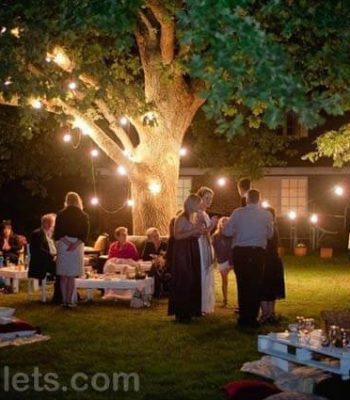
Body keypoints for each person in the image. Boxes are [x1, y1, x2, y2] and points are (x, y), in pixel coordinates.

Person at [223, 189, 273, 328]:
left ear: (246, 199)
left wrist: (237, 231)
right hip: (258, 252)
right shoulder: (266, 214)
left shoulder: (238, 213)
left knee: (243, 284)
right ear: (259, 199)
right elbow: (270, 234)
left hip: (241, 252)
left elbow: (226, 231)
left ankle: (244, 317)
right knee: (256, 284)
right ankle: (253, 317)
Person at [168, 194, 203, 323]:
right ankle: (181, 312)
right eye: (198, 203)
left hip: (191, 250)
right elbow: (177, 236)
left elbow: (193, 233)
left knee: (191, 279)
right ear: (192, 204)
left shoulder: (192, 217)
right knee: (184, 280)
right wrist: (193, 231)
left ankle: (189, 310)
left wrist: (198, 231)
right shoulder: (181, 218)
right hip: (182, 251)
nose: (200, 206)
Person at [54, 192, 89, 308]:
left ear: (67, 201)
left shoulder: (61, 214)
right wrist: (75, 244)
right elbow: (85, 233)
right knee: (72, 275)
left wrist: (67, 242)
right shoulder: (83, 215)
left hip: (64, 244)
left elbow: (57, 233)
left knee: (64, 275)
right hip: (77, 244)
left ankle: (64, 300)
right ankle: (69, 301)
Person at [28, 213, 62, 304]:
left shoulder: (50, 235)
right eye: (53, 223)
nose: (54, 226)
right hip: (41, 263)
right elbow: (37, 251)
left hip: (50, 260)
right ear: (47, 223)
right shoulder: (37, 234)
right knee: (61, 270)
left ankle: (67, 295)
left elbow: (54, 248)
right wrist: (52, 256)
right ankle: (58, 298)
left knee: (65, 269)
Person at [260, 207, 286, 323]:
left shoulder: (266, 228)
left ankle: (266, 314)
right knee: (272, 287)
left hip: (266, 260)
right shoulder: (274, 228)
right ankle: (270, 313)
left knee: (265, 287)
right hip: (274, 260)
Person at [196, 186, 217, 314]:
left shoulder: (204, 213)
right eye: (207, 198)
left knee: (207, 273)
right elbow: (199, 231)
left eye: (211, 198)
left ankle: (204, 305)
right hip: (199, 245)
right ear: (200, 198)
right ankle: (199, 305)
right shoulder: (198, 213)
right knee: (202, 273)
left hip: (206, 244)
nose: (209, 201)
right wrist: (212, 225)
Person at [212, 217, 233, 308]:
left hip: (232, 259)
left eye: (226, 223)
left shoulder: (232, 234)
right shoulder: (215, 236)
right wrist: (215, 260)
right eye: (223, 223)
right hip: (221, 260)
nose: (224, 224)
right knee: (224, 280)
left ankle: (241, 302)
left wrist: (231, 263)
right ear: (220, 224)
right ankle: (225, 300)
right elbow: (214, 249)